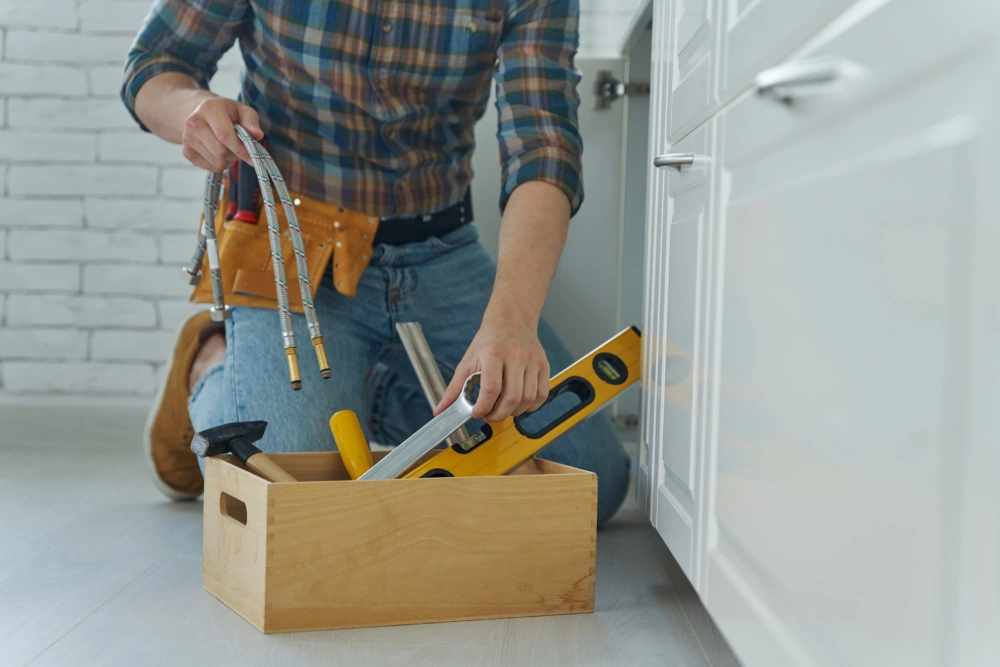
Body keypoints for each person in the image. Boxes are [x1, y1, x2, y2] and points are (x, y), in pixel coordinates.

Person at [123, 0, 629, 524]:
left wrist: (513, 321)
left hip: (441, 249)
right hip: (299, 254)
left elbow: (544, 149)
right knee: (290, 507)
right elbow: (154, 66)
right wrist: (194, 109)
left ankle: (362, 387)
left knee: (591, 484)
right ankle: (210, 364)